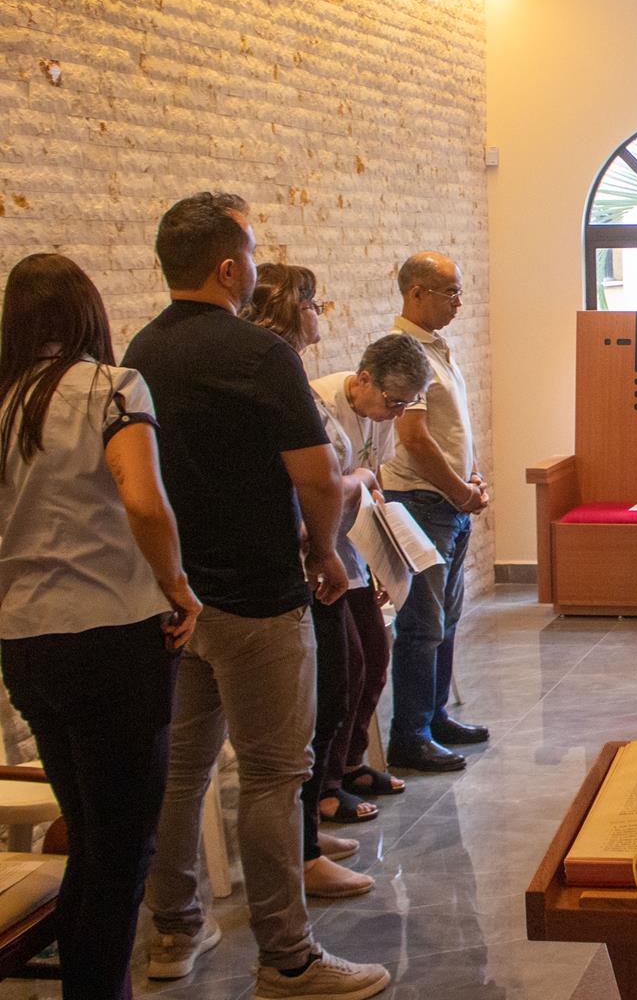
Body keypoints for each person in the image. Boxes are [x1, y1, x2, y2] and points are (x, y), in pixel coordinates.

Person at [127, 193, 388, 996]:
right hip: (259, 595)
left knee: (183, 774)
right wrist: (327, 551)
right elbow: (317, 475)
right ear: (227, 267)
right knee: (275, 776)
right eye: (248, 250)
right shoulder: (260, 354)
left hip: (180, 599)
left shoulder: (142, 350)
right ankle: (288, 957)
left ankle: (174, 931)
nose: (251, 263)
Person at [0, 253, 201, 1000]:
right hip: (112, 633)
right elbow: (143, 500)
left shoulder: (5, 402)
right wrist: (178, 587)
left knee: (89, 835)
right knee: (122, 851)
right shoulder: (110, 388)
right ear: (88, 311)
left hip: (25, 638)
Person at [243, 265, 377, 901]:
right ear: (288, 309)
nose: (321, 311)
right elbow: (314, 479)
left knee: (339, 682)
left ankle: (309, 832)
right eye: (313, 302)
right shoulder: (274, 372)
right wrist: (352, 492)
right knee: (319, 700)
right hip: (302, 561)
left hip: (318, 555)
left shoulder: (287, 372)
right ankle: (300, 853)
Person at [310, 334, 431, 811]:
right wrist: (361, 482)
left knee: (377, 655)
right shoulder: (320, 405)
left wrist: (383, 555)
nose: (397, 414)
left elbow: (372, 479)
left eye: (406, 404)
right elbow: (327, 487)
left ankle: (350, 763)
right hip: (319, 556)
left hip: (354, 548)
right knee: (346, 667)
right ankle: (323, 787)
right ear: (363, 380)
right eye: (393, 402)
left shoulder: (377, 411)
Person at [382, 251, 488, 774]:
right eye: (451, 292)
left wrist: (472, 477)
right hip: (424, 502)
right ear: (416, 293)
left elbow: (452, 428)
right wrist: (460, 492)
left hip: (448, 500)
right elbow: (415, 438)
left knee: (446, 617)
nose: (459, 302)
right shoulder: (404, 351)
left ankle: (436, 716)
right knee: (422, 625)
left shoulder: (435, 346)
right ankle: (411, 734)